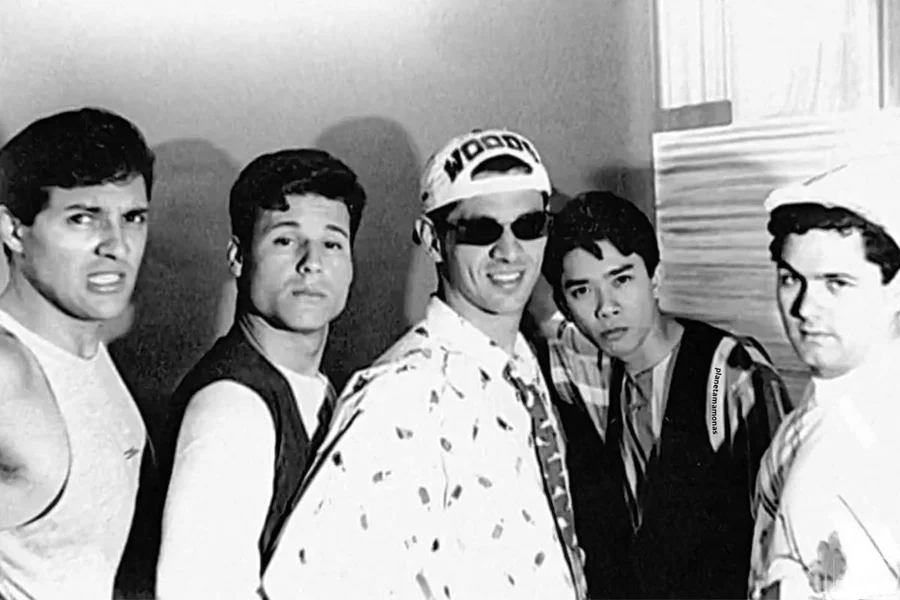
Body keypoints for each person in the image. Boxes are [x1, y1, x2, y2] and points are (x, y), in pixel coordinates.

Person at [262, 128, 588, 600]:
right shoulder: (402, 396)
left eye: (529, 225)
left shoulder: (522, 367)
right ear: (433, 241)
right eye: (481, 230)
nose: (510, 251)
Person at [534, 190, 792, 599]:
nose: (606, 307)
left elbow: (782, 532)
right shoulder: (589, 372)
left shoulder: (727, 374)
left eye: (622, 280)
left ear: (655, 278)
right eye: (582, 291)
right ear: (565, 305)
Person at [155, 149, 366, 599]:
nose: (311, 263)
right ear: (238, 256)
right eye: (285, 240)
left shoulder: (321, 391)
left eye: (332, 244)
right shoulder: (231, 409)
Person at [0, 107, 154, 599]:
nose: (116, 246)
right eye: (83, 218)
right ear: (13, 230)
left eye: (132, 218)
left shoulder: (84, 345)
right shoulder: (6, 370)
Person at [748, 157, 900, 599]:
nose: (804, 308)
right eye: (790, 279)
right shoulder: (829, 399)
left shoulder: (868, 430)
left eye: (837, 283)